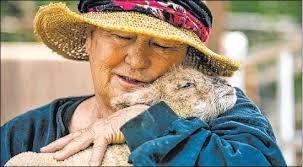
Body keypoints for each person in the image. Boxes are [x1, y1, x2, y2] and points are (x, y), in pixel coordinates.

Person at [1, 0, 286, 166]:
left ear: (188, 58)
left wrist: (149, 123)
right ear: (89, 40)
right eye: (121, 37)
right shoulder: (23, 135)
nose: (137, 60)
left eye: (162, 45)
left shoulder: (224, 109)